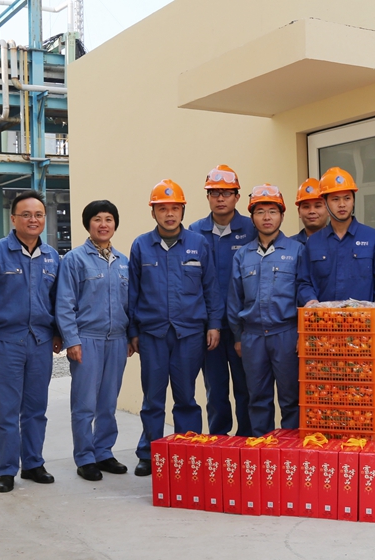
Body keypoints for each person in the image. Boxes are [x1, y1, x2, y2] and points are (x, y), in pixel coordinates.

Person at [0, 190, 62, 493]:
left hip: (40, 342)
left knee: (36, 408)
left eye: (38, 215)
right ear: (13, 219)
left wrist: (58, 333)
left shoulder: (52, 257)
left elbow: (58, 300)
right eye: (26, 214)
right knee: (7, 410)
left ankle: (33, 464)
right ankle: (7, 470)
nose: (33, 220)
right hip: (5, 342)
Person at [129, 180, 222, 476]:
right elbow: (132, 293)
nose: (169, 214)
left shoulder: (198, 243)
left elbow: (211, 288)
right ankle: (149, 453)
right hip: (152, 335)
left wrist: (214, 325)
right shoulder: (141, 246)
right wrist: (133, 332)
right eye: (162, 209)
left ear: (183, 210)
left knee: (186, 398)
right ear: (153, 213)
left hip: (189, 334)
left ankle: (188, 452)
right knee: (152, 399)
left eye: (175, 208)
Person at [227, 185, 316, 436]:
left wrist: (302, 335)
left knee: (291, 399)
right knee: (257, 399)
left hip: (286, 334)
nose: (267, 217)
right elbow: (234, 300)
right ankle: (262, 448)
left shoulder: (297, 251)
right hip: (253, 337)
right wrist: (238, 337)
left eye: (273, 211)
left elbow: (304, 293)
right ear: (252, 217)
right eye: (260, 212)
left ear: (282, 215)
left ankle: (290, 451)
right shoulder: (242, 256)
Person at [55, 200, 131, 482]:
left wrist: (131, 336)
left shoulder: (123, 262)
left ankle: (104, 452)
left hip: (117, 340)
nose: (103, 224)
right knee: (85, 403)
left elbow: (131, 303)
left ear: (115, 224)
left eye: (109, 219)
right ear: (88, 224)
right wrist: (71, 340)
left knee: (108, 402)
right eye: (97, 219)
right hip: (87, 339)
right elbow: (65, 303)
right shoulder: (74, 260)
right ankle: (85, 457)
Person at [188, 165, 255, 437]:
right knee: (215, 390)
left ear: (237, 196)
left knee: (246, 388)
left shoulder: (251, 228)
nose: (220, 198)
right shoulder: (195, 232)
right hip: (210, 328)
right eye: (214, 193)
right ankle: (219, 442)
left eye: (226, 193)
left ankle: (247, 440)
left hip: (244, 326)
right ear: (207, 197)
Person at [304, 167, 375, 303]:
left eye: (347, 198)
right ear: (325, 203)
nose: (342, 204)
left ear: (353, 201)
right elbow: (304, 282)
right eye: (335, 199)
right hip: (325, 316)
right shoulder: (313, 242)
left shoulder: (372, 237)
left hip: (364, 316)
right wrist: (310, 299)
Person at [290, 178, 329, 245]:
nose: (312, 211)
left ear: (328, 210)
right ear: (299, 212)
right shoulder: (290, 245)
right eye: (306, 207)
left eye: (317, 206)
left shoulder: (340, 242)